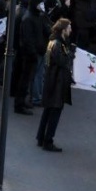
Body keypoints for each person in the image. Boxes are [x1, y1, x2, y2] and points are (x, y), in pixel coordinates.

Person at [36, 18, 75, 152]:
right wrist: (72, 54)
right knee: (54, 112)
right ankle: (48, 140)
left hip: (52, 80)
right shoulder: (58, 44)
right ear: (63, 30)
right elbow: (63, 62)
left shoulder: (54, 42)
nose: (71, 30)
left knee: (48, 111)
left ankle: (41, 137)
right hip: (56, 82)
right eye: (69, 27)